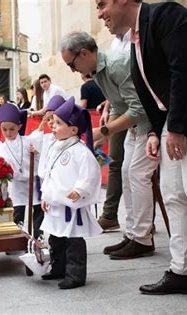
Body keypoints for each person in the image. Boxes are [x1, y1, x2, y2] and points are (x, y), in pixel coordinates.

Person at [95, 0, 187, 307]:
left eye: (102, 4)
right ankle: (181, 272)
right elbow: (153, 92)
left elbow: (184, 71)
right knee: (174, 194)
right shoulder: (135, 38)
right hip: (174, 122)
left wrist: (174, 128)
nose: (100, 14)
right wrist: (156, 131)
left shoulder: (167, 14)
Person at [61, 31, 158, 260]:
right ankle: (134, 234)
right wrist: (105, 133)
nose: (73, 71)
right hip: (135, 128)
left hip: (149, 126)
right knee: (126, 173)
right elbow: (118, 104)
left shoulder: (115, 65)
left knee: (137, 175)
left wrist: (104, 131)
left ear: (84, 53)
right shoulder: (98, 71)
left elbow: (138, 109)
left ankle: (143, 238)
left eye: (71, 64)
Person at [40, 97, 102, 289]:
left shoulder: (80, 151)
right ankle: (58, 268)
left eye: (59, 123)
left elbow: (90, 173)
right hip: (55, 203)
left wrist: (80, 190)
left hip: (71, 206)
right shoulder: (55, 146)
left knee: (73, 241)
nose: (53, 126)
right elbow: (48, 174)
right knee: (55, 238)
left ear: (74, 129)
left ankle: (75, 275)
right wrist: (45, 196)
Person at [96, 29, 131, 232]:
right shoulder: (115, 44)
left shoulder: (140, 34)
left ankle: (144, 224)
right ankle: (109, 215)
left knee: (139, 172)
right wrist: (108, 109)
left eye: (103, 6)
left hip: (137, 107)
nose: (102, 15)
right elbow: (113, 84)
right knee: (115, 162)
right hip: (117, 108)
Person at [0, 103, 43, 238]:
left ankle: (38, 236)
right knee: (18, 211)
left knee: (38, 210)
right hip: (16, 185)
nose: (8, 133)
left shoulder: (28, 141)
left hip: (33, 183)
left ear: (19, 127)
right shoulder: (2, 148)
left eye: (12, 129)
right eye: (4, 129)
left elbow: (41, 153)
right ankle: (17, 238)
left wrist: (36, 152)